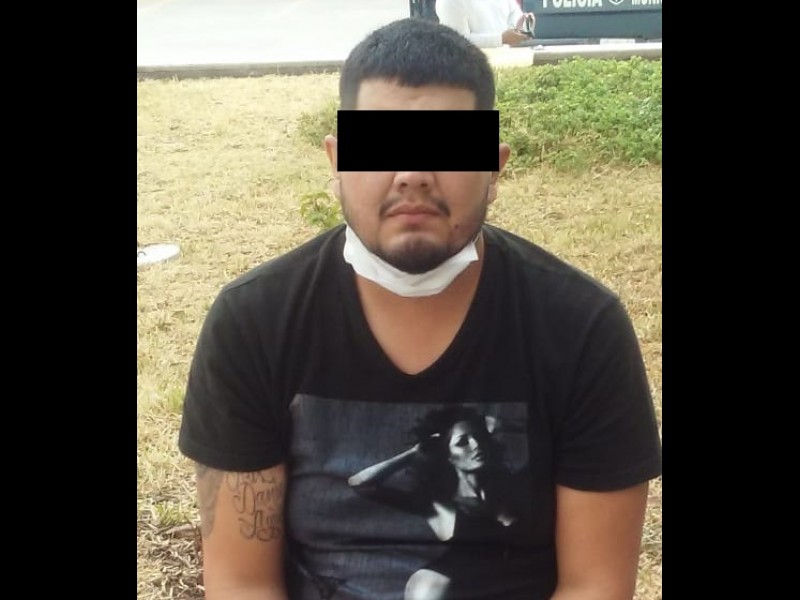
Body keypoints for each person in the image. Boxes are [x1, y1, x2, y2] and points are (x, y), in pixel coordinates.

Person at [178, 16, 662, 600]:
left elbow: (596, 584)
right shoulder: (254, 323)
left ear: (494, 165)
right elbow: (241, 582)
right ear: (337, 160)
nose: (412, 176)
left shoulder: (581, 328)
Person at [348, 406, 532, 600]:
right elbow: (360, 484)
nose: (476, 445)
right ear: (448, 456)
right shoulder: (438, 504)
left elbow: (546, 438)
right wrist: (413, 454)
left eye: (479, 437)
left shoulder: (511, 488)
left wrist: (504, 425)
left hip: (503, 588)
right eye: (462, 442)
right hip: (443, 587)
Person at [436, 0, 536, 48]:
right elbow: (456, 41)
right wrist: (501, 39)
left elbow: (514, 21)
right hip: (469, 72)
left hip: (506, 69)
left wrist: (524, 26)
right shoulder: (449, 2)